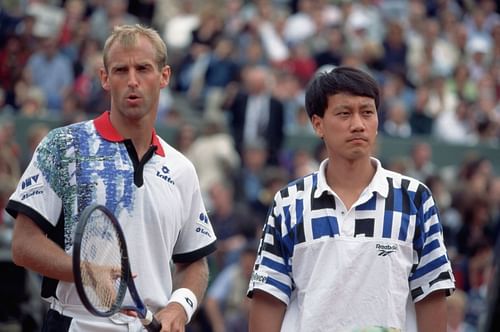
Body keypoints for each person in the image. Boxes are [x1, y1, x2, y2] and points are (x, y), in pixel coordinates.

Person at [7, 24, 217, 331]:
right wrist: (85, 272)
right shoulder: (63, 146)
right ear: (105, 78)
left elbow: (194, 261)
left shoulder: (182, 169)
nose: (132, 80)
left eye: (143, 68)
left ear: (164, 76)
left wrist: (180, 305)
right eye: (121, 70)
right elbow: (23, 245)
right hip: (76, 322)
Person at [247, 66, 455, 332]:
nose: (358, 124)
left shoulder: (413, 198)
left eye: (367, 112)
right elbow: (269, 298)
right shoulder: (289, 202)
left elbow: (431, 294)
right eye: (344, 113)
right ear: (317, 124)